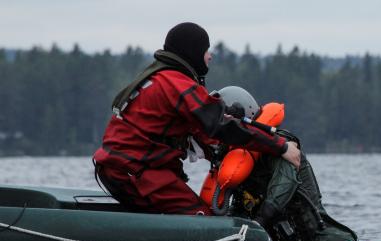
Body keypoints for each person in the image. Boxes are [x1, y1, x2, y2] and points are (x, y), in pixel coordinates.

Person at [93, 22, 300, 215]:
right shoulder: (177, 84)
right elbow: (221, 127)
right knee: (203, 221)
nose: (209, 56)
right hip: (135, 172)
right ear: (192, 52)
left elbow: (197, 132)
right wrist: (280, 146)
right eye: (206, 50)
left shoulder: (158, 77)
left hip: (116, 169)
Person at [216, 86, 359, 241]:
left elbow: (285, 183)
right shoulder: (241, 169)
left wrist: (259, 221)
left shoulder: (282, 147)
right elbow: (238, 214)